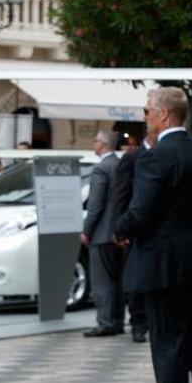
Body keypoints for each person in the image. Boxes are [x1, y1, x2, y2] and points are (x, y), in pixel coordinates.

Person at [115, 87, 192, 383]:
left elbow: (140, 212)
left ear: (163, 114)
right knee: (184, 327)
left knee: (167, 341)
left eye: (147, 110)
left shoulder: (156, 158)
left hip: (162, 266)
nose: (144, 116)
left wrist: (119, 228)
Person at [82, 130, 124, 337]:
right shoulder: (120, 165)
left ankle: (105, 322)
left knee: (102, 280)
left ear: (102, 145)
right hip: (120, 232)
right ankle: (118, 320)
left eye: (95, 140)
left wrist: (86, 230)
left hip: (101, 233)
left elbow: (95, 204)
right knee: (117, 279)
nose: (94, 144)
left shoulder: (101, 169)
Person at [112, 132, 152, 343]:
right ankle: (138, 323)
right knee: (136, 278)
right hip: (136, 227)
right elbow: (120, 194)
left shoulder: (164, 154)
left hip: (159, 229)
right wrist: (119, 227)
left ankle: (152, 321)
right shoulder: (132, 157)